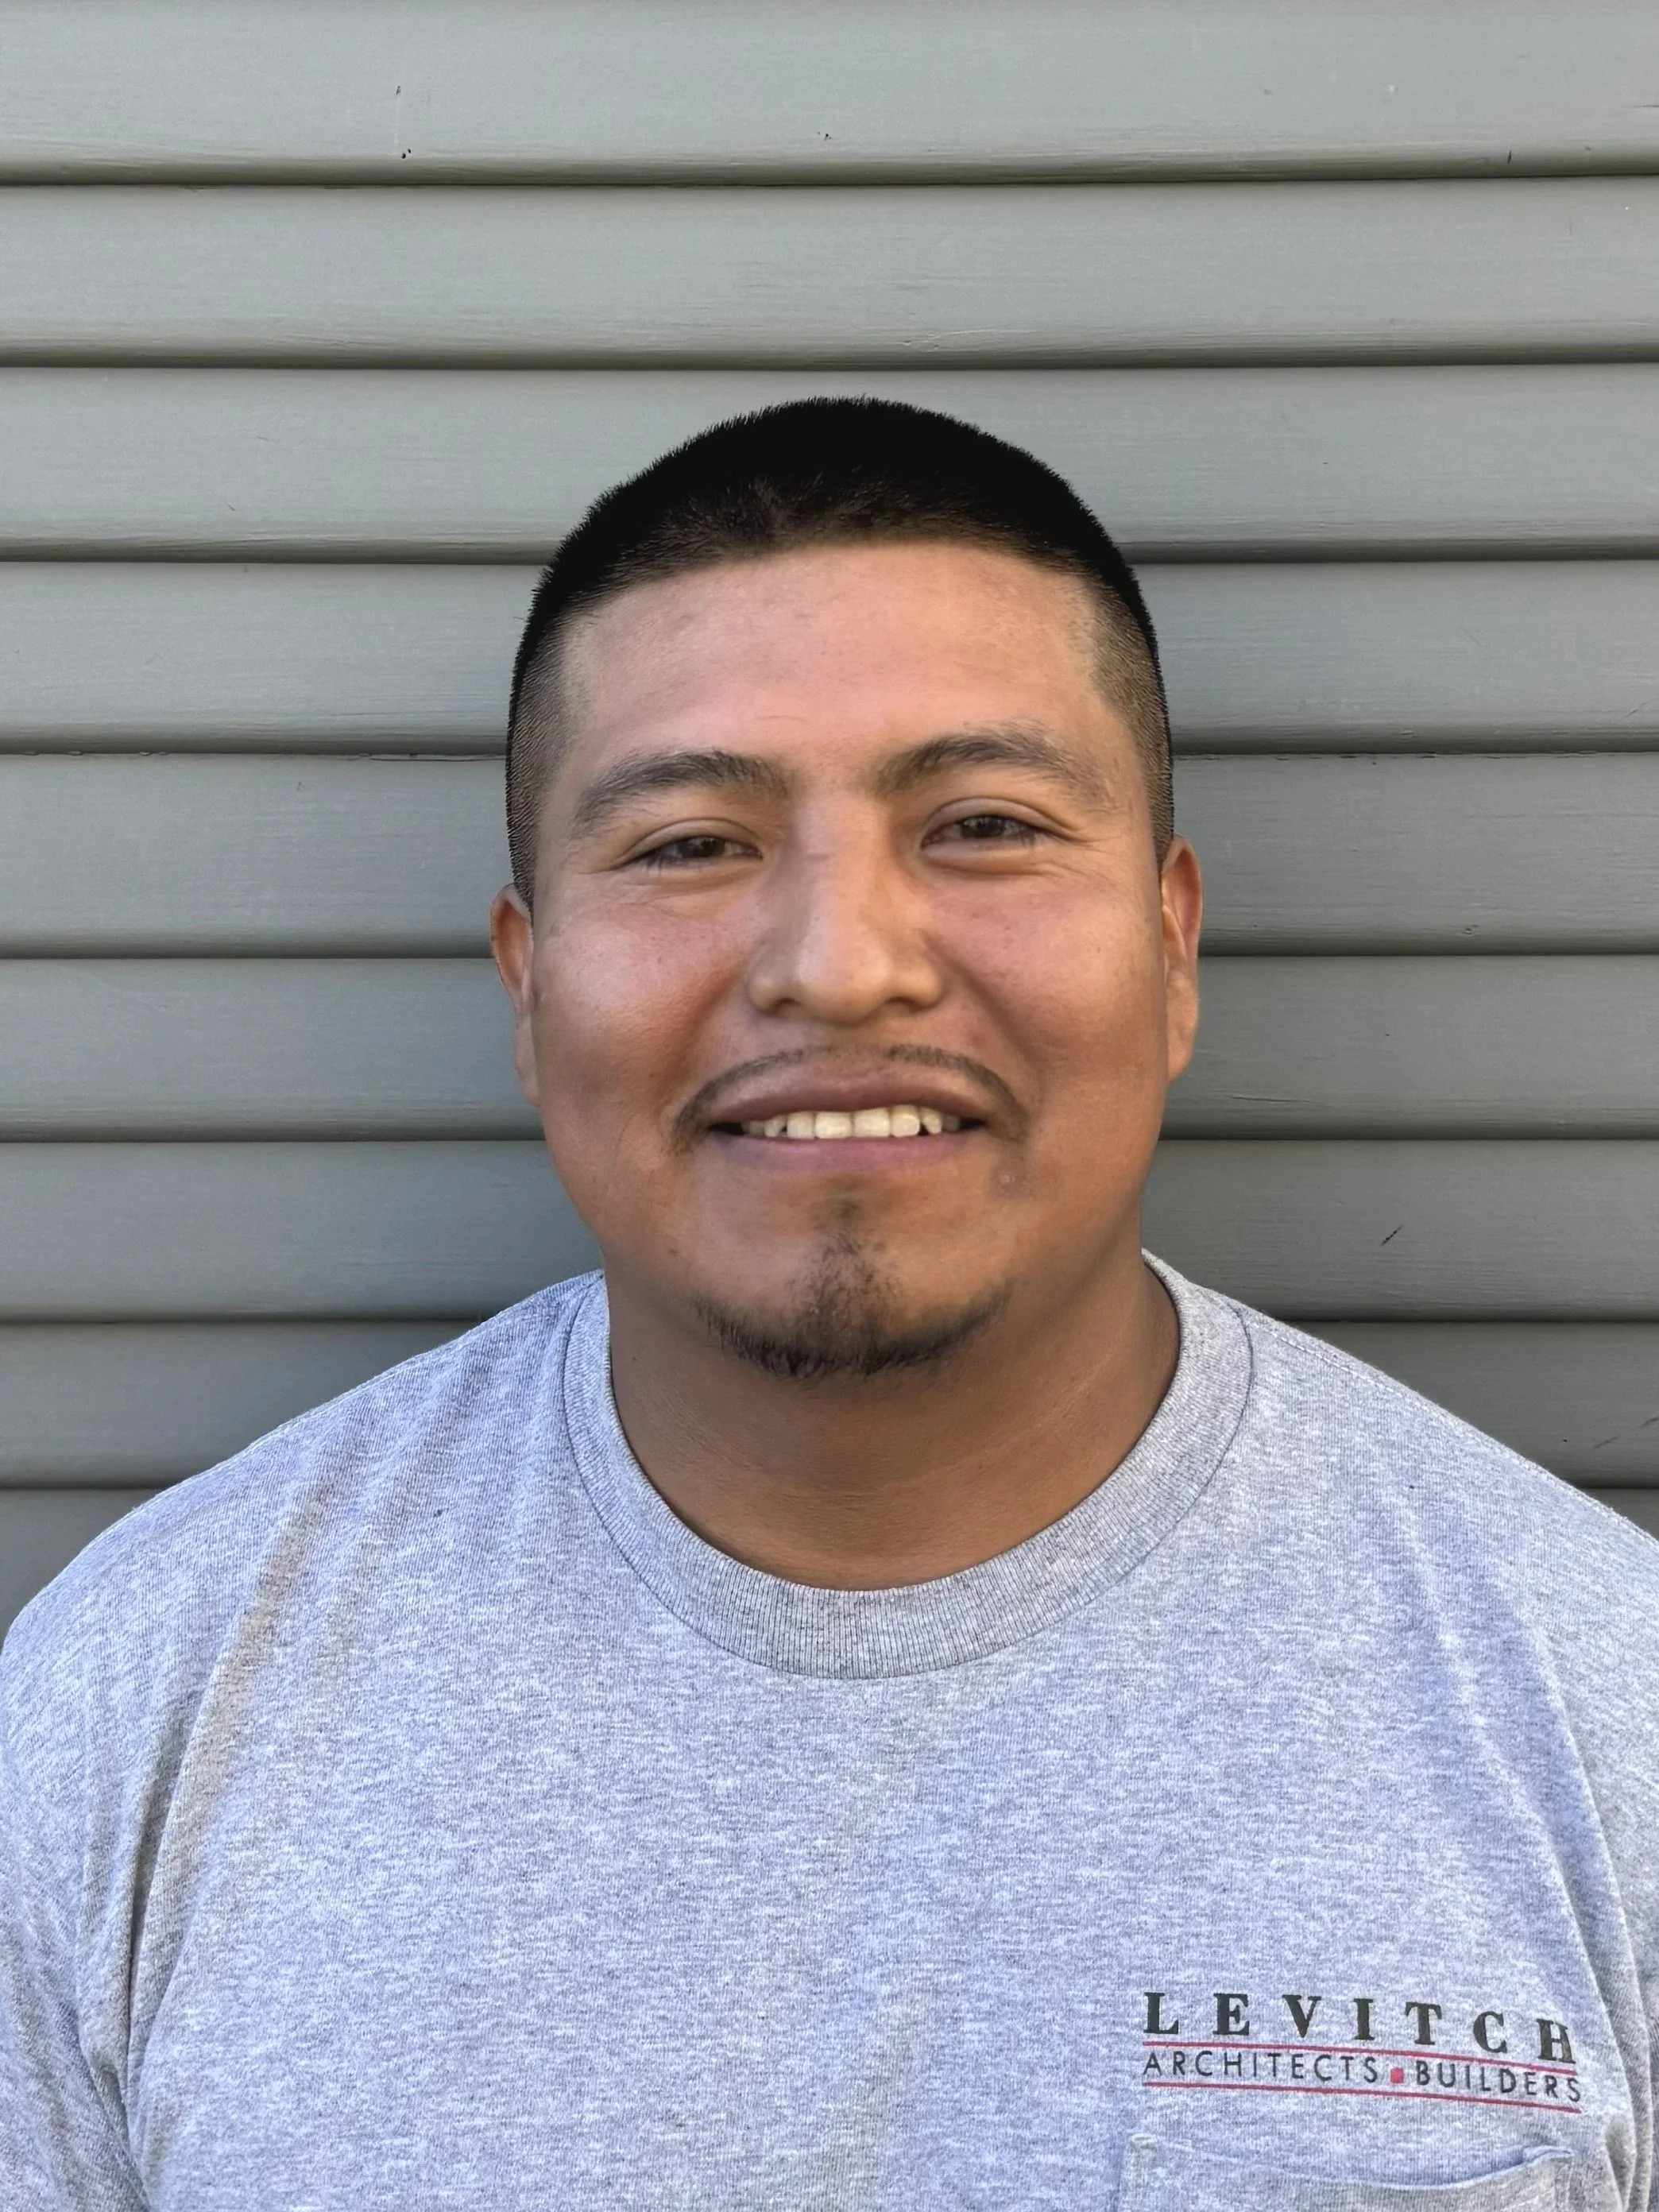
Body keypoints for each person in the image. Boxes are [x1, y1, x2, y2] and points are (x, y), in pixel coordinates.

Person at [2, 399, 1655, 2212]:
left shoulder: (1601, 1705)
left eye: (985, 825)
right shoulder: (134, 1714)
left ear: (1173, 947)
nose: (839, 966)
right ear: (530, 986)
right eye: (688, 845)